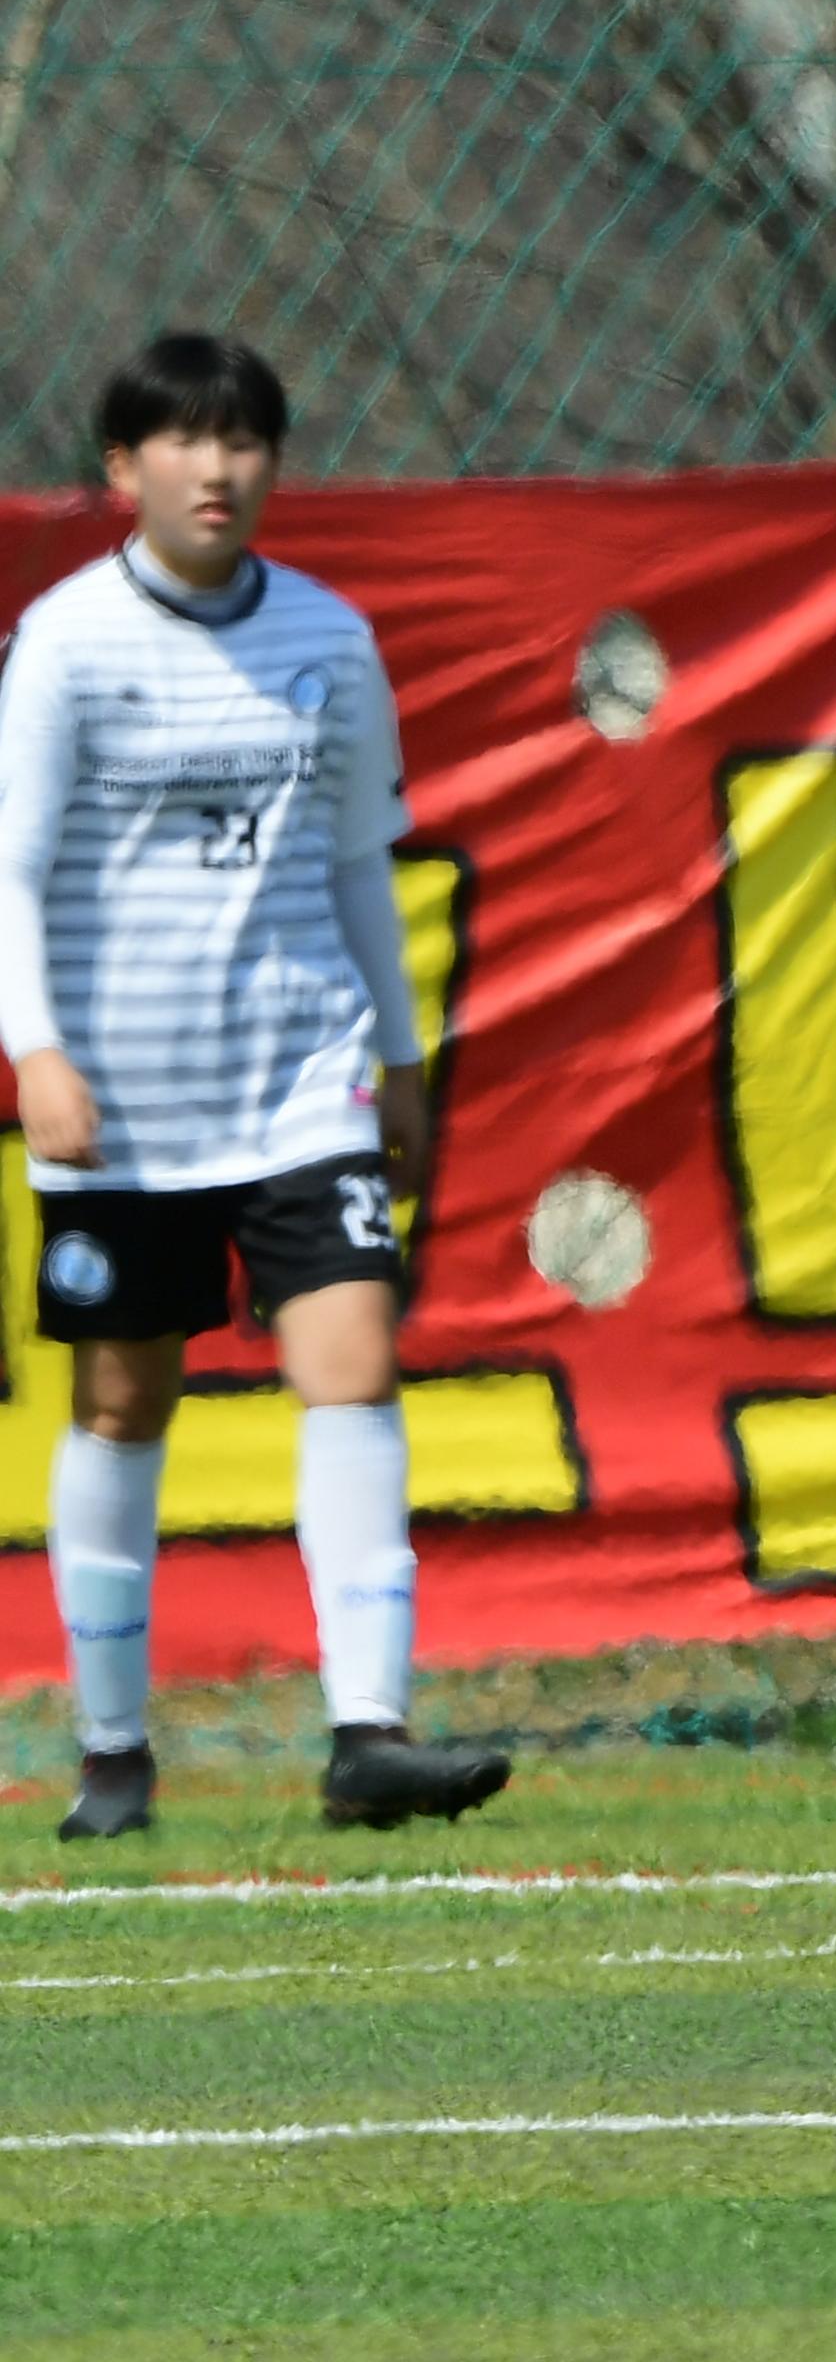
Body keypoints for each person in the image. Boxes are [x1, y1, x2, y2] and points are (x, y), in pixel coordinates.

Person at [0, 336, 503, 1841]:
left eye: (245, 444)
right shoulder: (67, 644)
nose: (217, 471)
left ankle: (368, 1734)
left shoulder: (332, 643)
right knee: (119, 1400)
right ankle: (112, 1754)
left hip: (300, 1085)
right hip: (123, 1104)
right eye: (184, 443)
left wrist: (400, 1055)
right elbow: (10, 870)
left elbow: (358, 860)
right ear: (121, 473)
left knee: (352, 1364)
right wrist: (37, 1051)